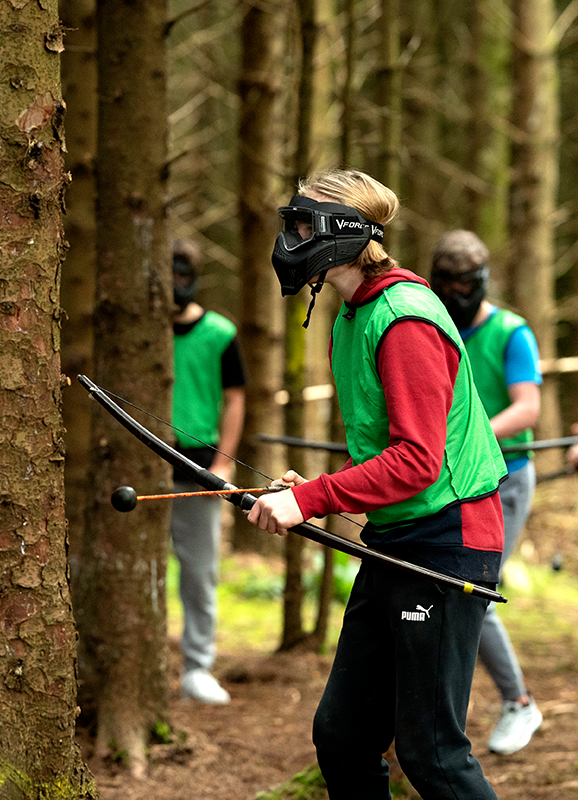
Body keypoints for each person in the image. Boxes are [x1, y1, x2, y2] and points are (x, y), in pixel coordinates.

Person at [247, 168, 506, 799]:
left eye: (302, 225)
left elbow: (418, 461)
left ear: (340, 234)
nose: (290, 239)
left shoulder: (404, 318)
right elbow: (386, 447)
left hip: (449, 538)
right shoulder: (353, 313)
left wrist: (309, 499)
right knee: (342, 735)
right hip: (398, 538)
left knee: (433, 753)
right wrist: (308, 488)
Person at [431, 230, 544, 756]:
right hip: (450, 478)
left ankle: (519, 703)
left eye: (465, 284)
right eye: (445, 283)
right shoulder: (430, 325)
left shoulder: (511, 332)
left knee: (476, 591)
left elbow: (527, 408)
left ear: (482, 282)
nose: (455, 293)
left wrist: (476, 431)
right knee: (448, 588)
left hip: (506, 476)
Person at [171, 240, 246, 705]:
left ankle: (197, 667)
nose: (175, 285)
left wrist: (223, 462)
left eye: (183, 275)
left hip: (198, 466)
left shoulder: (219, 332)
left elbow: (236, 397)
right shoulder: (138, 330)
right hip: (139, 467)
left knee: (199, 573)